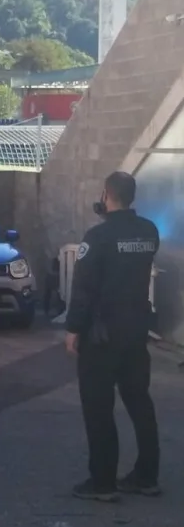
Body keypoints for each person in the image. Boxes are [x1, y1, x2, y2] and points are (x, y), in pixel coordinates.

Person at [66, 171, 161, 502]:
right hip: (136, 330)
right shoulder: (149, 232)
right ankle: (147, 476)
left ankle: (102, 482)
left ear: (107, 194)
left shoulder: (98, 237)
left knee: (98, 406)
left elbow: (84, 289)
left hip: (102, 334)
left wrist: (73, 328)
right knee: (139, 401)